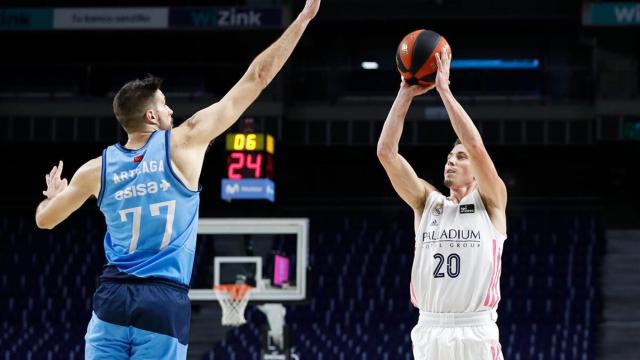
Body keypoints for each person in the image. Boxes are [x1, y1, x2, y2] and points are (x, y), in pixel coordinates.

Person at [34, 1, 321, 358]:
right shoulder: (184, 143)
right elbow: (257, 78)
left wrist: (52, 196)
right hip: (163, 299)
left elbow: (44, 221)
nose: (172, 110)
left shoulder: (95, 170)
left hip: (111, 298)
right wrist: (304, 18)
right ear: (152, 115)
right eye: (165, 104)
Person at [377, 47, 508, 359]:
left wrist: (444, 90)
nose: (451, 161)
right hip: (429, 328)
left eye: (459, 158)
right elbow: (386, 153)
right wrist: (404, 94)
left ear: (475, 170)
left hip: (476, 328)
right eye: (449, 157)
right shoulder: (426, 203)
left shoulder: (491, 202)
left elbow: (475, 146)